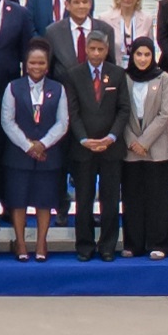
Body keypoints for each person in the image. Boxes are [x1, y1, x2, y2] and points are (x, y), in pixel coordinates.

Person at [65, 27, 129, 262]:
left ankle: (108, 246)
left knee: (110, 200)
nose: (96, 53)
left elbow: (123, 110)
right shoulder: (74, 75)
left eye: (100, 49)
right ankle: (84, 245)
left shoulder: (118, 74)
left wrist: (111, 137)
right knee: (84, 200)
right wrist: (84, 139)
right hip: (83, 148)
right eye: (92, 48)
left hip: (111, 148)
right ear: (85, 49)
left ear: (107, 50)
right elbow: (73, 111)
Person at [0, 41, 67, 260]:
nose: (36, 66)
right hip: (18, 155)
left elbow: (63, 122)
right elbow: (7, 121)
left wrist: (43, 144)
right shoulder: (13, 87)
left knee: (44, 201)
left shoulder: (58, 89)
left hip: (48, 155)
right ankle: (20, 244)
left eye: (41, 63)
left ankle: (41, 244)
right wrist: (28, 146)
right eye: (32, 62)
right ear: (25, 65)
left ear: (47, 66)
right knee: (18, 201)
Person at [120, 37, 168, 259]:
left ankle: (160, 244)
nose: (143, 59)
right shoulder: (124, 78)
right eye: (138, 54)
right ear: (132, 56)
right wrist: (132, 140)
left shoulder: (164, 78)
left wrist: (144, 142)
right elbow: (122, 112)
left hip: (158, 147)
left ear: (153, 56)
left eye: (147, 54)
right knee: (133, 197)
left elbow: (165, 114)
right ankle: (134, 244)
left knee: (158, 198)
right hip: (130, 147)